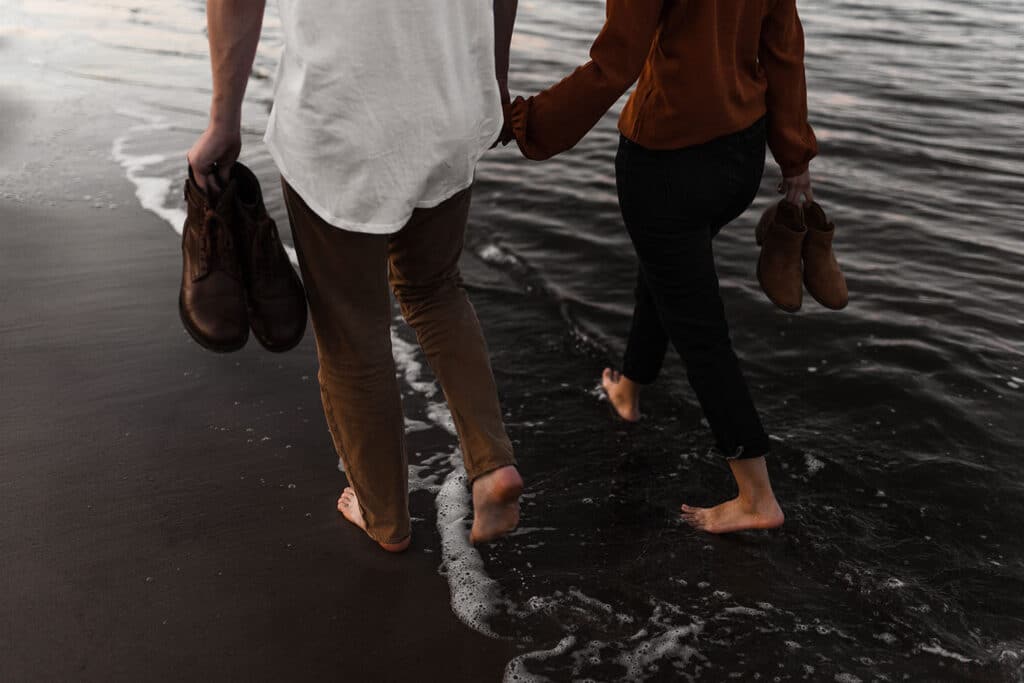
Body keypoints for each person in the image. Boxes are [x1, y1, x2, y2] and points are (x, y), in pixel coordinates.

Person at [188, 0, 524, 552]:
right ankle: (493, 467)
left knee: (352, 329)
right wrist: (493, 79)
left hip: (344, 116)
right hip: (453, 102)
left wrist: (223, 122)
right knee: (435, 289)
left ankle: (384, 517)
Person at [508, 1, 820, 533]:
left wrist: (527, 122)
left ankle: (756, 496)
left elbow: (615, 62)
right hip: (740, 155)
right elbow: (783, 49)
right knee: (669, 268)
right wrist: (795, 162)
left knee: (700, 329)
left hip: (666, 161)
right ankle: (630, 388)